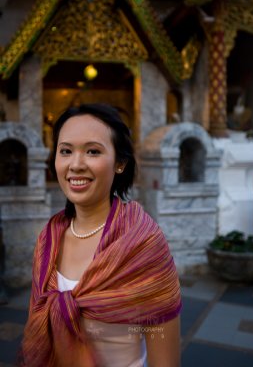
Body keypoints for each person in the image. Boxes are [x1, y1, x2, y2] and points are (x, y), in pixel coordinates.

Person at [19, 103, 182, 367]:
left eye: (93, 151)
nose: (76, 164)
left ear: (119, 163)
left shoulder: (143, 245)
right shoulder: (47, 240)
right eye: (65, 151)